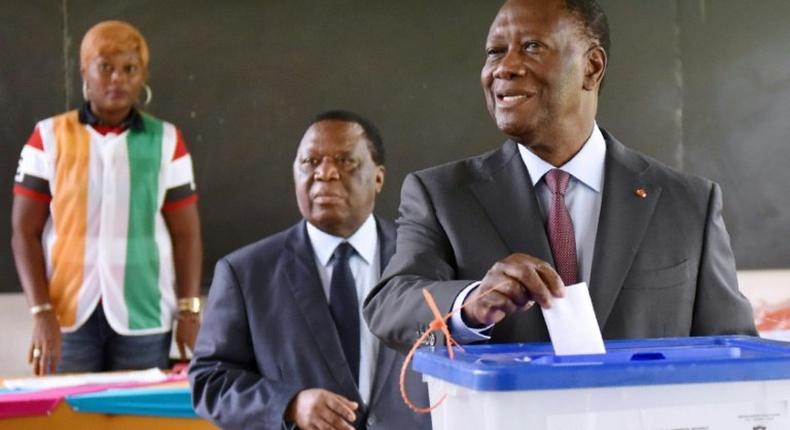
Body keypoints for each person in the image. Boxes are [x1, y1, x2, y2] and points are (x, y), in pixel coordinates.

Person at [363, 0, 756, 353]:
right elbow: (390, 305)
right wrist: (471, 303)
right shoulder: (442, 195)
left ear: (592, 66)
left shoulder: (687, 204)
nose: (505, 67)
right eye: (495, 52)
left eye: (532, 46)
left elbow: (735, 353)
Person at [189, 111, 430, 430]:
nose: (325, 173)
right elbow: (210, 381)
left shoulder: (423, 259)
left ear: (379, 177)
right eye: (310, 162)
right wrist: (289, 404)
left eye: (345, 161)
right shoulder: (246, 273)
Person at [11, 20, 203, 375]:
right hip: (66, 316)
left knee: (139, 418)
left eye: (129, 69)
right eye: (106, 68)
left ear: (143, 75)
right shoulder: (48, 137)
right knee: (70, 417)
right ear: (85, 71)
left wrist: (189, 309)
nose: (117, 79)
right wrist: (41, 311)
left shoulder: (166, 140)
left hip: (144, 314)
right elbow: (23, 231)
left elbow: (186, 233)